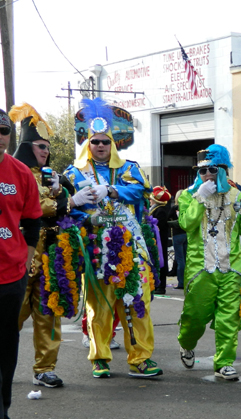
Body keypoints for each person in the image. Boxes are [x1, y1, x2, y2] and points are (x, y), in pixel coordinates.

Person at [65, 98, 162, 379]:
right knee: (99, 308)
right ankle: (99, 357)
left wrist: (113, 190)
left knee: (137, 303)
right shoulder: (74, 172)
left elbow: (141, 192)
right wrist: (80, 208)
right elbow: (67, 211)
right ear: (87, 143)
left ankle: (140, 358)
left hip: (131, 248)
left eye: (105, 142)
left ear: (113, 144)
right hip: (97, 250)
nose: (100, 146)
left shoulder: (130, 169)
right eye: (95, 141)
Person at [177, 145, 241, 380]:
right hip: (200, 268)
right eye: (202, 172)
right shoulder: (188, 195)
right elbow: (187, 224)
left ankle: (223, 362)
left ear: (223, 170)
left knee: (229, 317)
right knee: (195, 316)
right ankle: (186, 343)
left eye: (212, 170)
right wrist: (200, 197)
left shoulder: (236, 196)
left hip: (230, 267)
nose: (207, 175)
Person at [10, 103, 72, 388]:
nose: (45, 151)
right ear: (25, 145)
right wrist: (60, 200)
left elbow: (63, 205)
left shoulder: (50, 176)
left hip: (50, 252)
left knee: (49, 310)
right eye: (39, 146)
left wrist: (63, 194)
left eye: (48, 147)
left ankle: (45, 368)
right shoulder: (14, 174)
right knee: (13, 312)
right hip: (21, 252)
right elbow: (39, 206)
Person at [0, 107, 42, 419]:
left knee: (6, 345)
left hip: (10, 275)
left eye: (4, 132)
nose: (0, 138)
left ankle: (3, 409)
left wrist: (26, 262)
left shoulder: (21, 173)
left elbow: (31, 222)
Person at [149, 186, 172, 295]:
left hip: (160, 240)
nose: (149, 200)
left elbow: (160, 225)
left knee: (161, 261)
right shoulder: (156, 208)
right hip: (156, 239)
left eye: (151, 199)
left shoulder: (160, 210)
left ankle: (161, 285)